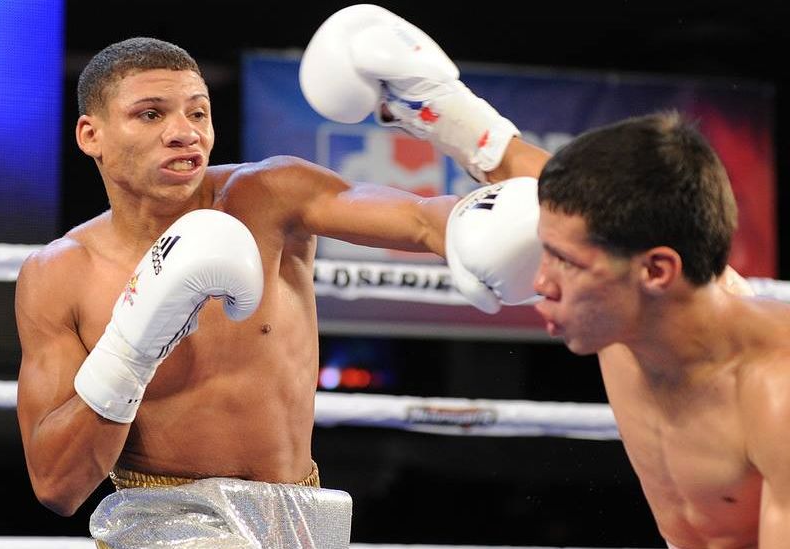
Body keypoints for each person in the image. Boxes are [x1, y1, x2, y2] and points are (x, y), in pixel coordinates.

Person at [14, 33, 547, 547]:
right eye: (151, 114)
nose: (185, 132)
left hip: (302, 516)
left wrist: (481, 171)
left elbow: (427, 220)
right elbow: (56, 486)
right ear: (91, 135)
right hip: (161, 523)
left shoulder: (271, 195)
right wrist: (132, 347)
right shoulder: (59, 275)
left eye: (198, 112)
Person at [301, 5, 790, 549]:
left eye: (566, 262)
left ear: (655, 271)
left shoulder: (776, 396)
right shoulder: (634, 286)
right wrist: (434, 104)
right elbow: (532, 177)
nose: (542, 280)